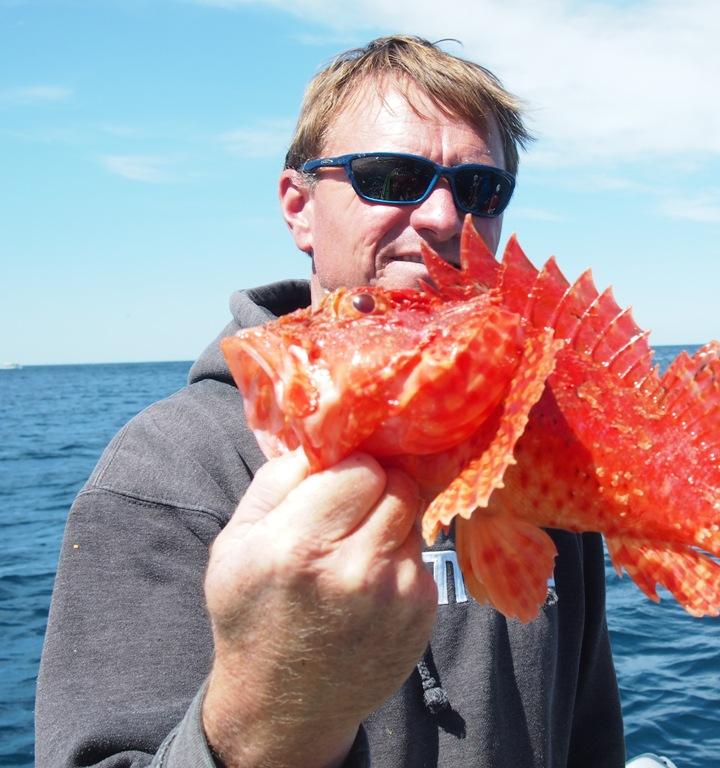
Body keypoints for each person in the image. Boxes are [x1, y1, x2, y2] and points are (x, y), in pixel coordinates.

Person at [35, 35, 625, 768]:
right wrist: (272, 706)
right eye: (391, 176)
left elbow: (589, 738)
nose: (444, 216)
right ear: (300, 208)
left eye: (480, 189)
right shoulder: (167, 475)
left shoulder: (536, 436)